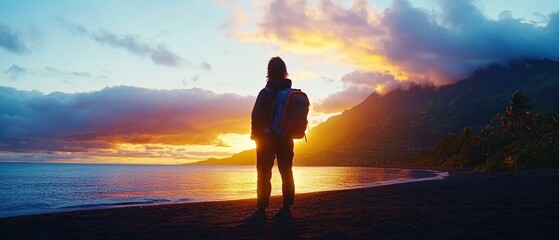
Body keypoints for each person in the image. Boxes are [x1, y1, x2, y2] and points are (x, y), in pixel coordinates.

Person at [244, 57, 295, 222]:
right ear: (284, 71)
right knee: (287, 173)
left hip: (266, 139)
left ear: (269, 71)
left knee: (264, 174)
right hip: (286, 138)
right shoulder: (291, 93)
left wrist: (254, 135)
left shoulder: (266, 92)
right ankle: (286, 209)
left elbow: (257, 116)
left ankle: (261, 211)